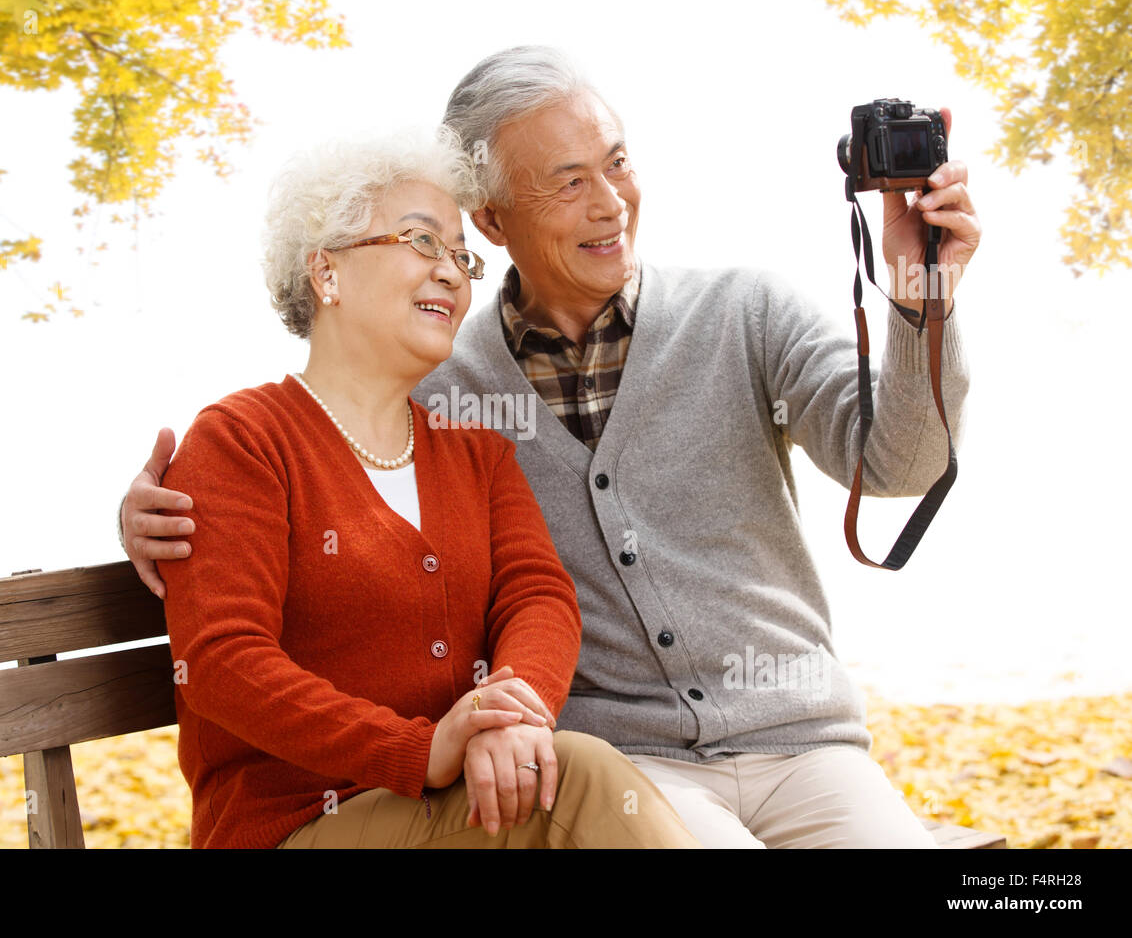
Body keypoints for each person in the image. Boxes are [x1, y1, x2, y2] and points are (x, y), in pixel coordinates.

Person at [125, 46, 981, 847]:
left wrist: (923, 294)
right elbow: (308, 438)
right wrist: (154, 513)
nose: (610, 201)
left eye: (616, 162)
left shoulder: (744, 316)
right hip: (621, 762)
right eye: (568, 182)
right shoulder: (439, 391)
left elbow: (902, 464)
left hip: (804, 745)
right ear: (495, 219)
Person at [153, 127, 699, 848]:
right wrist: (423, 750)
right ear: (327, 273)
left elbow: (538, 596)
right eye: (420, 241)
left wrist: (509, 715)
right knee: (582, 782)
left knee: (567, 778)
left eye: (461, 255)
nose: (452, 272)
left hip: (456, 811)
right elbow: (222, 661)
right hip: (296, 825)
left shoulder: (477, 454)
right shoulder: (243, 440)